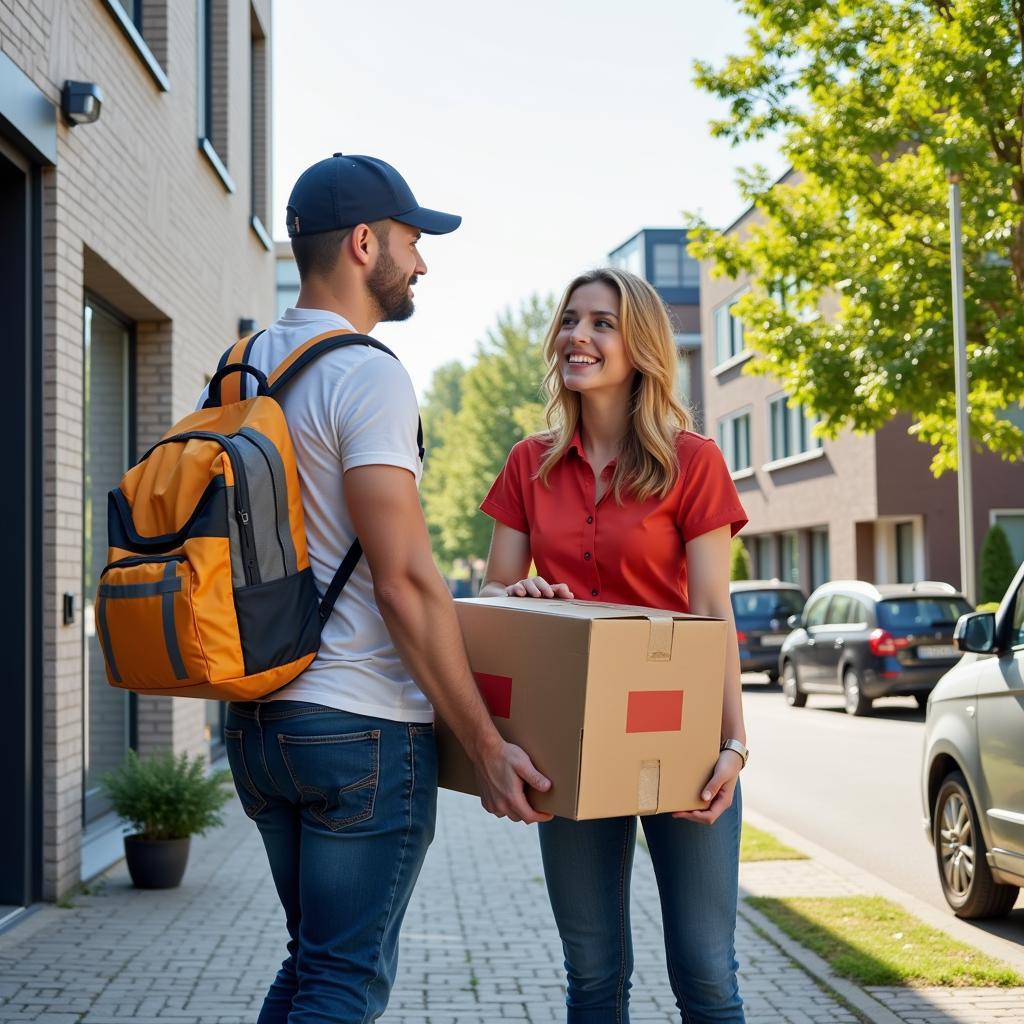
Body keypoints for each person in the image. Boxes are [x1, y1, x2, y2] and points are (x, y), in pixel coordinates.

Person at [210, 154, 552, 1024]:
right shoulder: (367, 372)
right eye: (411, 241)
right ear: (365, 243)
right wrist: (483, 744)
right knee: (342, 981)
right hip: (356, 728)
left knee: (312, 965)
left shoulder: (241, 367)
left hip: (258, 722)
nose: (423, 263)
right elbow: (401, 582)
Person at [478, 267, 749, 1023]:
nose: (579, 336)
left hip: (680, 729)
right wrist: (520, 592)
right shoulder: (528, 463)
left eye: (601, 323)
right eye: (570, 320)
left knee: (704, 973)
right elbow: (493, 594)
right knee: (593, 972)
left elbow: (710, 610)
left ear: (640, 346)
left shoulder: (692, 461)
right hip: (573, 738)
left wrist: (735, 743)